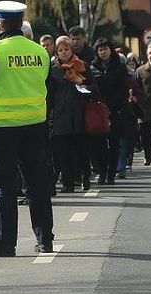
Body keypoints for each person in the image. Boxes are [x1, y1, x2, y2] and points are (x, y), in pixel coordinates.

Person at [0, 1, 55, 256]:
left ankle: (5, 242)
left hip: (2, 126)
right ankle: (45, 239)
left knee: (3, 184)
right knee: (37, 184)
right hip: (34, 125)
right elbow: (48, 84)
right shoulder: (39, 52)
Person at [48, 36, 97, 192]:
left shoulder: (82, 66)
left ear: (72, 50)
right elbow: (49, 94)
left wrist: (81, 82)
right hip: (61, 116)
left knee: (81, 149)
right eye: (60, 50)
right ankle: (68, 183)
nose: (63, 53)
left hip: (80, 114)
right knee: (63, 152)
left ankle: (85, 177)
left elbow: (94, 89)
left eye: (66, 49)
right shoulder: (54, 70)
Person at [90, 38, 130, 185]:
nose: (103, 52)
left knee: (114, 144)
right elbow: (90, 86)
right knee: (98, 144)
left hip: (116, 111)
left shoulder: (119, 67)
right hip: (98, 111)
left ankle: (111, 173)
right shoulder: (93, 67)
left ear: (110, 50)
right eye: (100, 49)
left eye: (105, 48)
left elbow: (123, 90)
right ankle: (102, 172)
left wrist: (112, 107)